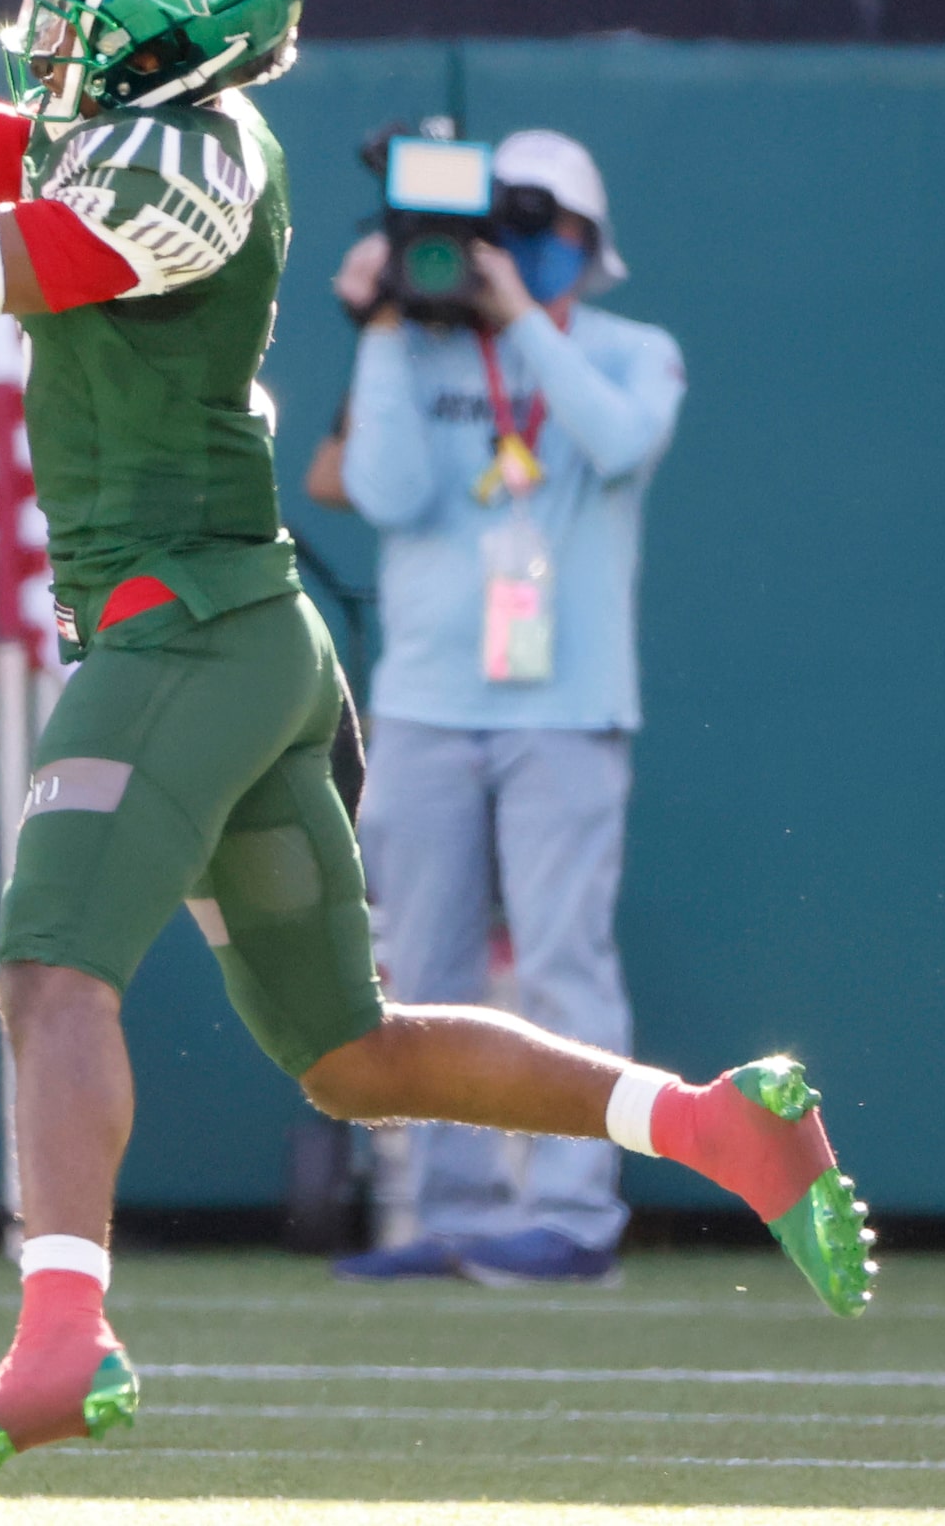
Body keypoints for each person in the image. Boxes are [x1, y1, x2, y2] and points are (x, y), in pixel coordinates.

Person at [0, 0, 875, 1500]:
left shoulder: (175, 169)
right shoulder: (143, 132)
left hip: (185, 625)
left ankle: (61, 1330)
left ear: (162, 26)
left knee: (48, 968)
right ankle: (711, 1121)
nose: (53, 4)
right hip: (240, 631)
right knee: (348, 1053)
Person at [327, 134, 683, 1287]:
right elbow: (381, 492)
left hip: (566, 708)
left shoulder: (637, 352)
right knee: (424, 965)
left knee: (562, 958)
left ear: (587, 244)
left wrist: (522, 317)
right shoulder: (421, 351)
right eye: (505, 228)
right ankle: (460, 1210)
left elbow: (621, 444)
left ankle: (576, 1216)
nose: (521, 247)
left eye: (546, 226)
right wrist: (384, 322)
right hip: (429, 701)